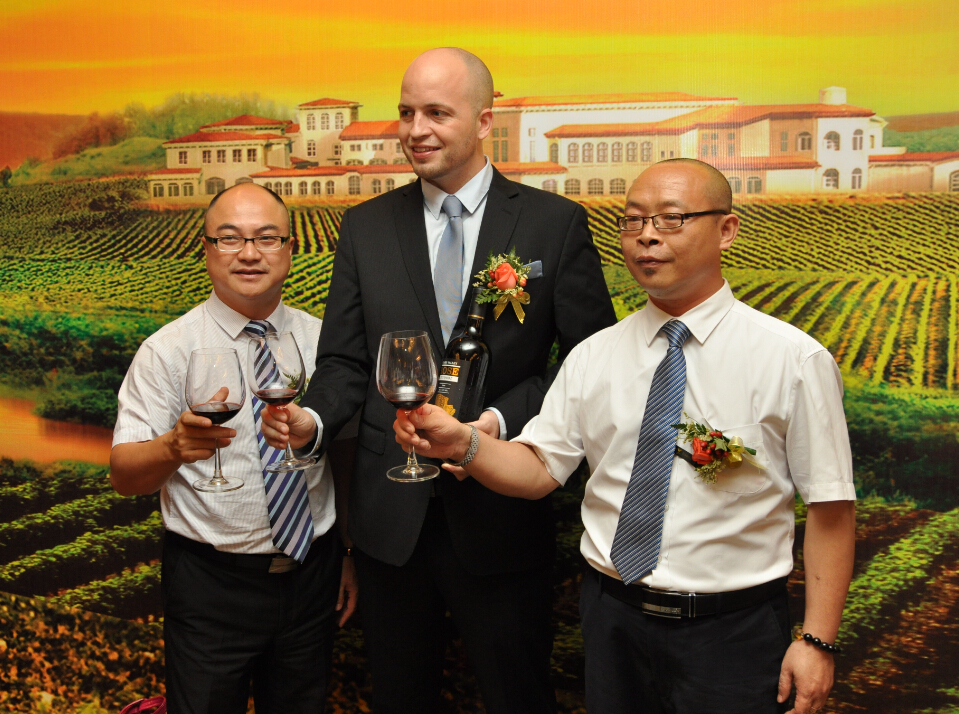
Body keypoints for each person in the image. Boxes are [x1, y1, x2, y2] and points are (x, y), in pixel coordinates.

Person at [393, 158, 857, 714]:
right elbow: (539, 469)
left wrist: (817, 640)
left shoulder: (793, 359)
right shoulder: (595, 355)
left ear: (727, 229)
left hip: (733, 632)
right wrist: (463, 444)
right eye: (633, 220)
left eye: (671, 219)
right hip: (612, 620)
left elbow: (831, 507)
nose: (647, 237)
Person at [262, 47, 616, 713]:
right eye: (405, 113)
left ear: (483, 121)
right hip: (389, 523)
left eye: (435, 113)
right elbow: (343, 363)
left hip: (501, 516)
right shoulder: (365, 227)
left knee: (518, 696)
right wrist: (312, 420)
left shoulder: (552, 223)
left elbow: (591, 362)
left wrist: (498, 422)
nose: (415, 129)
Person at [110, 182, 358, 714]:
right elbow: (125, 475)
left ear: (290, 249)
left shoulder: (324, 343)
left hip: (311, 575)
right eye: (230, 238)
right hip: (210, 586)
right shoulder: (167, 350)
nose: (249, 253)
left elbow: (343, 455)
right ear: (206, 249)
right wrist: (174, 447)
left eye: (267, 238)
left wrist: (346, 554)